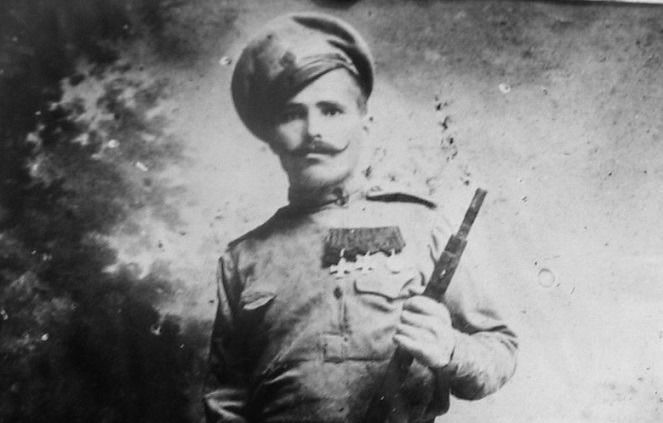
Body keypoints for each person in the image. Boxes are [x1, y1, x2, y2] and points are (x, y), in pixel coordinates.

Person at [203, 12, 517, 423]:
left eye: (331, 111)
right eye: (292, 114)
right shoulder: (242, 258)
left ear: (364, 124)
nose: (313, 130)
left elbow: (499, 348)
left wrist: (451, 350)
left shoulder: (422, 226)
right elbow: (225, 400)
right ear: (271, 136)